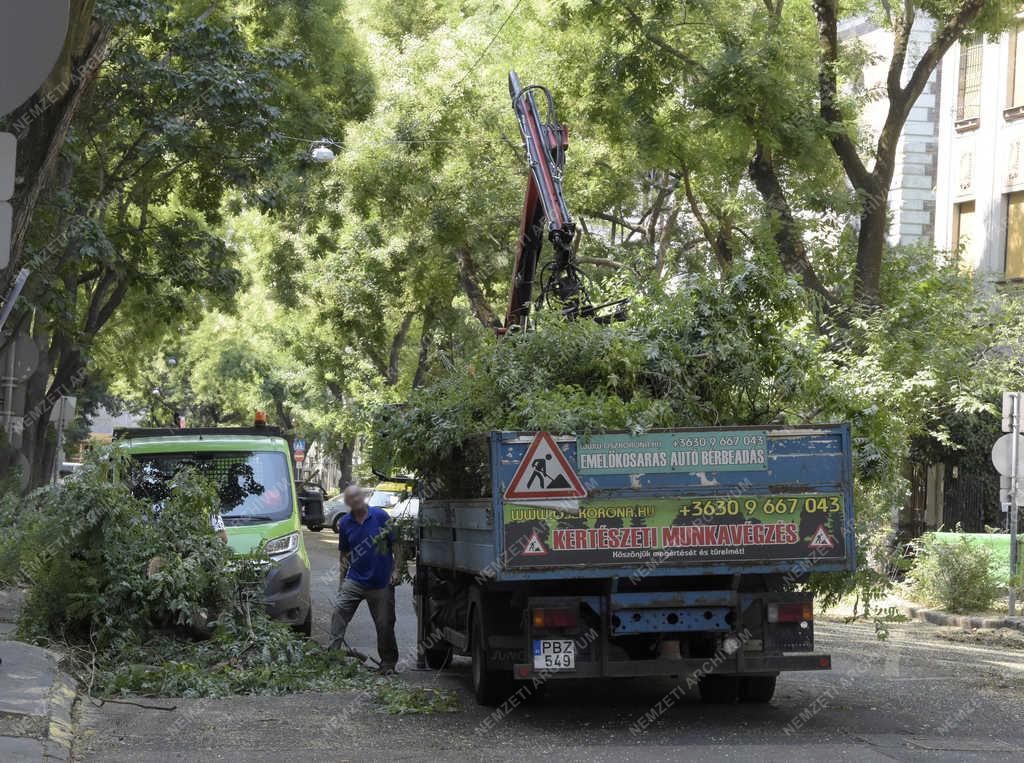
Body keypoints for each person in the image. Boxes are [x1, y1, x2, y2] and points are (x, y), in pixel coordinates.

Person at [329, 484, 402, 673]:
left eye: (358, 497)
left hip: (381, 581)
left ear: (363, 498)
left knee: (385, 624)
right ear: (347, 503)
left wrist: (397, 570)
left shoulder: (380, 516)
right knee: (339, 612)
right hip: (355, 579)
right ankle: (331, 658)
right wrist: (341, 580)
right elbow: (344, 554)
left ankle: (388, 663)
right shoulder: (345, 523)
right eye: (351, 499)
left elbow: (396, 543)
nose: (356, 501)